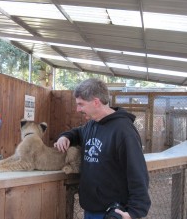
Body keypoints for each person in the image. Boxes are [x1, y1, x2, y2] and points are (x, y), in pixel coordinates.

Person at [54, 78, 151, 219]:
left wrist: (134, 212)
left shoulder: (124, 131)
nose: (77, 109)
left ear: (96, 102)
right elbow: (78, 132)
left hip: (113, 212)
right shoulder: (92, 124)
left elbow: (137, 172)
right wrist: (65, 136)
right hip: (91, 208)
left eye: (81, 104)